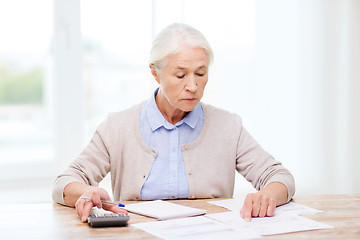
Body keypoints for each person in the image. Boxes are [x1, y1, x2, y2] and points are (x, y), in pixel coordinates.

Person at [52, 23, 295, 223]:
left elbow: (279, 176)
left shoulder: (228, 126)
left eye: (200, 73)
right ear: (155, 73)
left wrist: (266, 195)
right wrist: (86, 192)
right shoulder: (117, 127)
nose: (192, 85)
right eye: (180, 75)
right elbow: (64, 183)